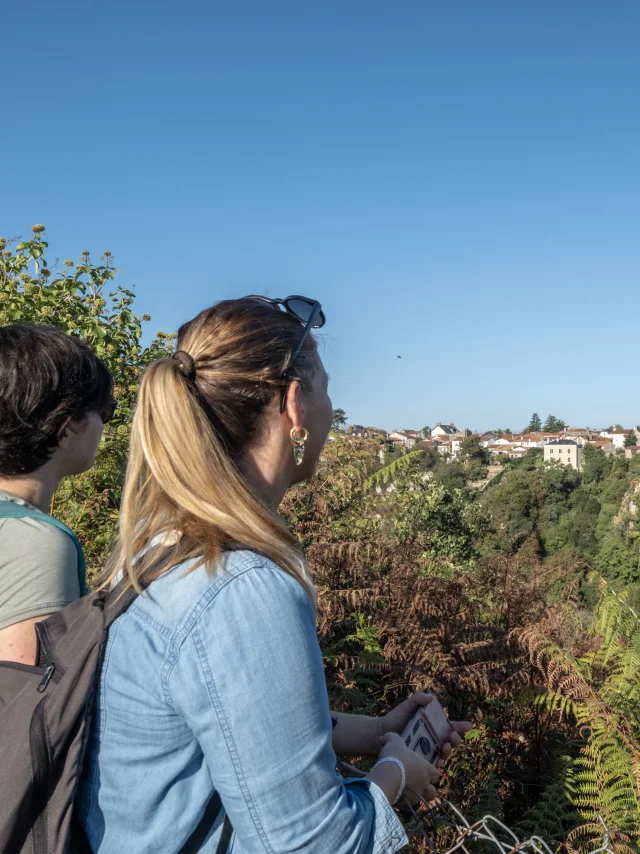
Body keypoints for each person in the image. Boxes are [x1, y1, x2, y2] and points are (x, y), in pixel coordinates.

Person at [77, 296, 470, 853]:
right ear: (293, 405)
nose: (333, 407)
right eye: (326, 387)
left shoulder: (161, 546)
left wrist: (376, 732)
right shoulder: (240, 587)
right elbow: (314, 844)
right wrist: (395, 773)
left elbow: (216, 719)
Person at [0, 324, 115, 664]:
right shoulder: (35, 544)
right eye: (104, 411)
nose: (104, 426)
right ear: (66, 427)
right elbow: (24, 705)